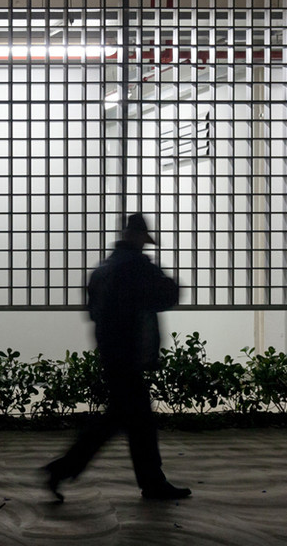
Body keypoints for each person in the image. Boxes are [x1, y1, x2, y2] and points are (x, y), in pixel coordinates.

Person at [42, 213, 191, 502]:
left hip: (112, 354)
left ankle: (148, 481)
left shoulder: (104, 268)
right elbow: (166, 296)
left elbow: (93, 312)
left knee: (127, 421)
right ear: (137, 237)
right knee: (130, 422)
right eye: (143, 240)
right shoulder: (135, 267)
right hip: (129, 355)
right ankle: (64, 469)